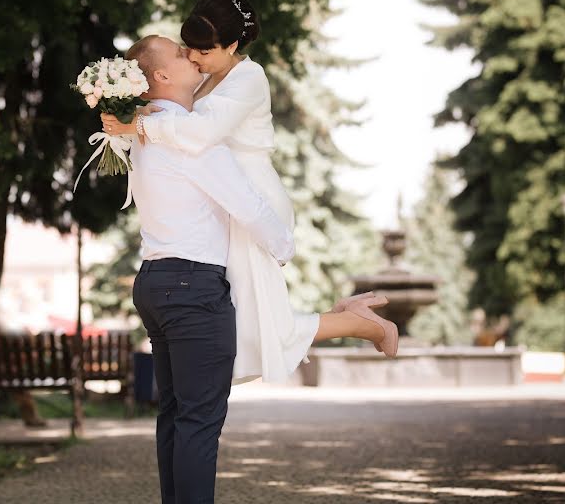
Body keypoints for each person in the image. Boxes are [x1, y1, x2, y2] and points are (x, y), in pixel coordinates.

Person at [121, 35, 394, 503]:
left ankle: (355, 322)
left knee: (175, 415)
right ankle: (356, 322)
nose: (191, 56)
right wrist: (282, 247)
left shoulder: (144, 129)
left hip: (154, 282)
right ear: (161, 76)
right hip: (191, 287)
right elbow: (246, 204)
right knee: (198, 422)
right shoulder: (189, 137)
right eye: (179, 53)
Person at [102, 0, 398, 386]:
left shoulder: (248, 78)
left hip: (252, 197)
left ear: (232, 46)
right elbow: (177, 113)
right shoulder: (207, 75)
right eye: (189, 47)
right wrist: (134, 108)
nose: (193, 57)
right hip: (225, 198)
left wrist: (136, 126)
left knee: (256, 328)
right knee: (246, 325)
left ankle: (363, 326)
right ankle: (349, 317)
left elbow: (202, 133)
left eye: (203, 51)